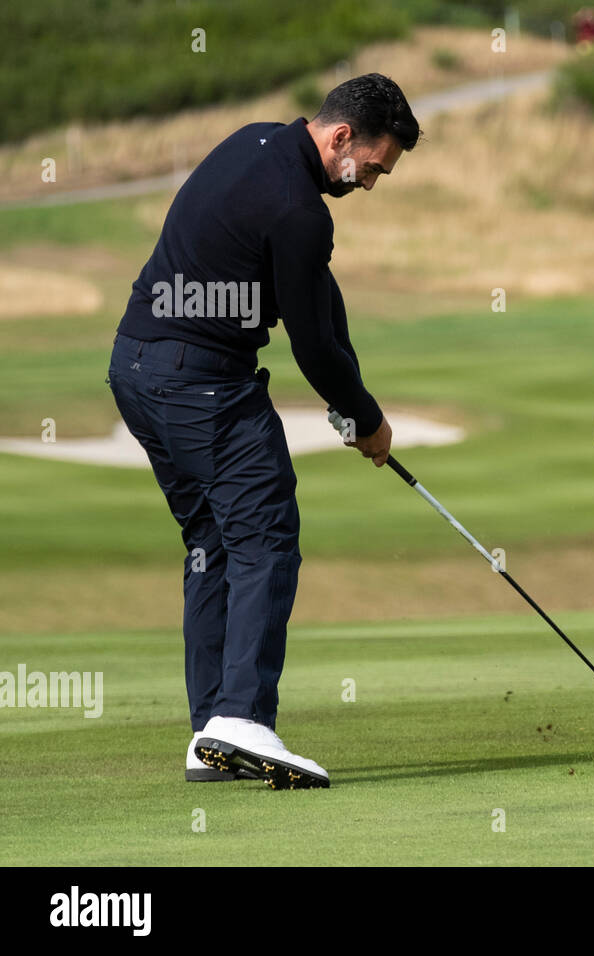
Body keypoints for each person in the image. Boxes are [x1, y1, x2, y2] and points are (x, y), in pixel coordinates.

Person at [106, 74, 420, 789]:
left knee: (213, 545)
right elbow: (312, 347)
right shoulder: (299, 210)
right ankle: (242, 716)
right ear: (341, 137)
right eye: (371, 166)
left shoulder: (254, 145)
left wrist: (354, 401)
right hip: (200, 383)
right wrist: (367, 420)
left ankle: (210, 735)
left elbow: (315, 295)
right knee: (266, 536)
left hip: (135, 370)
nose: (371, 183)